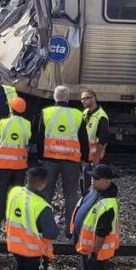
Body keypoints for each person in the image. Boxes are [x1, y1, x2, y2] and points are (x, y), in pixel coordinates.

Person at [37, 85, 89, 238]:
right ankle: (70, 229)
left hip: (49, 160)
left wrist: (40, 156)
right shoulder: (78, 114)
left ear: (55, 97)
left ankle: (45, 228)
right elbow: (83, 139)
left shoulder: (46, 113)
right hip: (71, 161)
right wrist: (84, 158)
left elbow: (40, 137)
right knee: (71, 195)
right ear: (67, 98)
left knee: (46, 193)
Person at [0, 96, 31, 233]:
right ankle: (13, 224)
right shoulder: (27, 124)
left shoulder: (3, 123)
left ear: (11, 108)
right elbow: (29, 140)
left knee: (1, 193)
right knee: (16, 194)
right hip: (20, 165)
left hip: (3, 164)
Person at [5, 167, 59, 270]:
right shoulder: (41, 206)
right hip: (34, 252)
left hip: (16, 247)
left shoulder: (14, 192)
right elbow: (52, 233)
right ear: (43, 183)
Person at [70, 164, 120, 270]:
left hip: (96, 253)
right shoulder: (94, 191)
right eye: (92, 176)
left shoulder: (108, 205)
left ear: (107, 181)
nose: (92, 179)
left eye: (96, 178)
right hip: (86, 248)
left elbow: (102, 233)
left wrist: (93, 254)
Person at [81, 90, 109, 192]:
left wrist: (96, 156)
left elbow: (103, 138)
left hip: (94, 158)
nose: (83, 101)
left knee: (92, 186)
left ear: (93, 98)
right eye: (82, 99)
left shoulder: (101, 116)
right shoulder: (85, 113)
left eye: (86, 98)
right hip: (86, 157)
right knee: (85, 184)